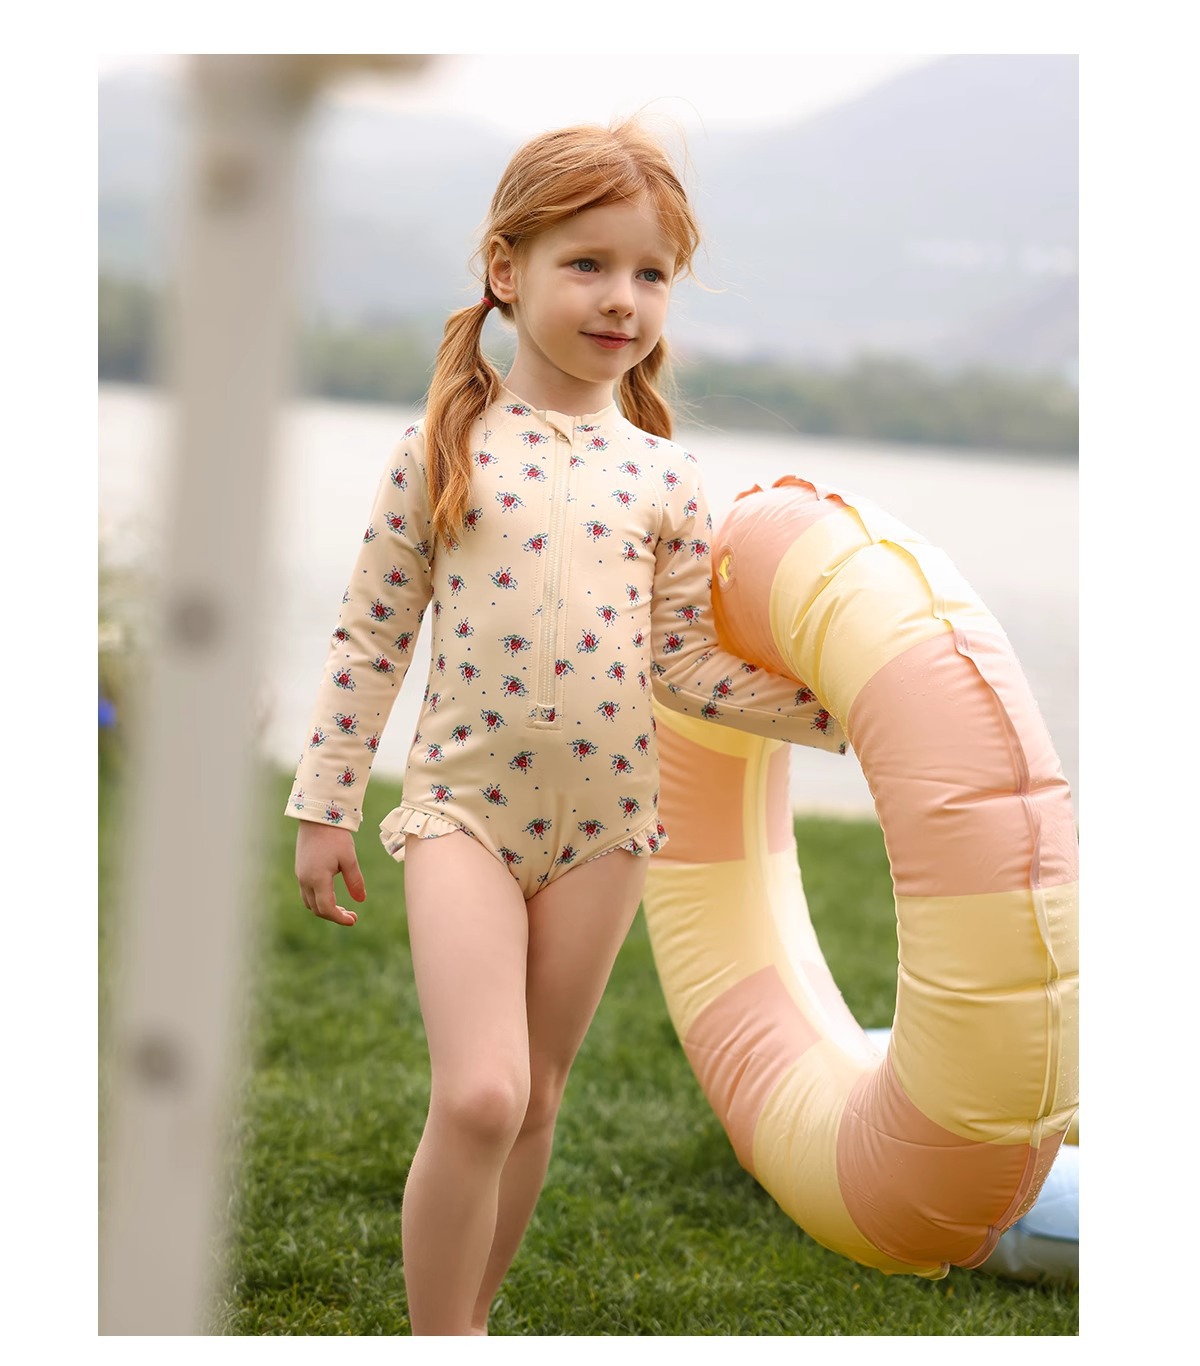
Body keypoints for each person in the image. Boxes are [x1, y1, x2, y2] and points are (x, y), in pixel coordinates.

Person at [288, 118, 847, 1336]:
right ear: (507, 269)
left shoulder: (667, 476)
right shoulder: (441, 448)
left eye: (651, 273)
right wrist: (327, 803)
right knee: (481, 1095)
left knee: (538, 1097)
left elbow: (686, 666)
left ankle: (474, 1323)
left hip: (608, 827)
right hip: (464, 815)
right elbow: (371, 637)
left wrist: (844, 711)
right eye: (587, 263)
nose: (621, 298)